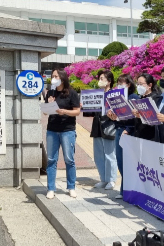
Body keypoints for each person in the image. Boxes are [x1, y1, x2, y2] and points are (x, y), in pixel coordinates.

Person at [43, 69, 80, 199]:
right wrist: (49, 104)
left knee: (69, 159)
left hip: (67, 130)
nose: (53, 78)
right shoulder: (50, 93)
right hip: (52, 129)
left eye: (56, 76)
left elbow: (77, 111)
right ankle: (51, 188)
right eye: (52, 76)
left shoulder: (72, 93)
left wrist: (64, 111)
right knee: (52, 160)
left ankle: (71, 187)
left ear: (62, 78)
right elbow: (46, 113)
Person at [107, 74, 140, 199]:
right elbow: (119, 119)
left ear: (129, 84)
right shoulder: (117, 98)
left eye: (122, 83)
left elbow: (136, 119)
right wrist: (113, 117)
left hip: (129, 133)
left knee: (128, 162)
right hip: (119, 130)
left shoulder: (133, 98)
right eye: (118, 83)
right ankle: (123, 190)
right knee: (120, 161)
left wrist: (128, 129)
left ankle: (129, 190)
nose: (119, 85)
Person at [88, 70, 118, 190]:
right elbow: (90, 111)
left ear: (109, 81)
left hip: (109, 125)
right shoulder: (97, 94)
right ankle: (103, 179)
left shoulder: (114, 94)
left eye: (102, 78)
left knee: (110, 154)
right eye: (99, 78)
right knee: (99, 154)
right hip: (97, 125)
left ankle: (111, 180)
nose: (99, 81)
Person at [130, 73, 163, 141]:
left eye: (141, 84)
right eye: (137, 84)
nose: (138, 86)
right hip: (139, 135)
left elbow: (155, 119)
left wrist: (141, 115)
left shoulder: (156, 98)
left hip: (150, 137)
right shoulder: (140, 98)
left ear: (150, 85)